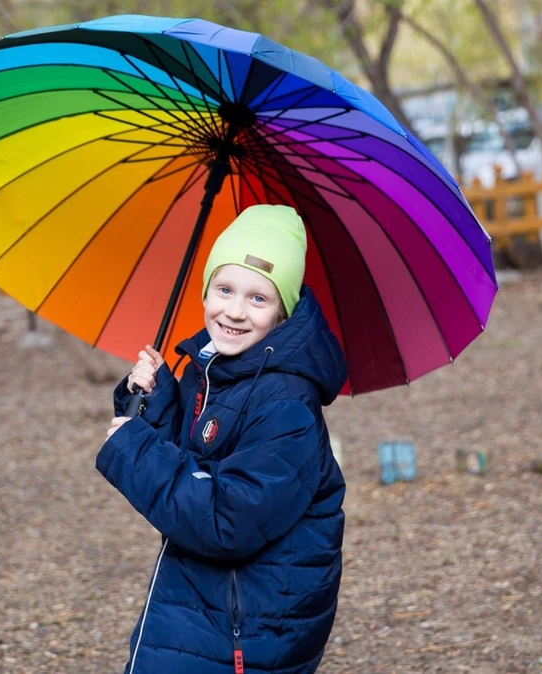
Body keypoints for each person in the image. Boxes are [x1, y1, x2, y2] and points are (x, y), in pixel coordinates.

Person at [97, 204, 348, 674]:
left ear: (282, 313)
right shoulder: (217, 370)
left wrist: (134, 450)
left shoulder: (286, 404)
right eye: (225, 289)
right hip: (204, 601)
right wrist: (155, 399)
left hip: (246, 626)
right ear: (205, 291)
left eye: (258, 299)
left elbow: (225, 520)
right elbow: (199, 460)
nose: (234, 311)